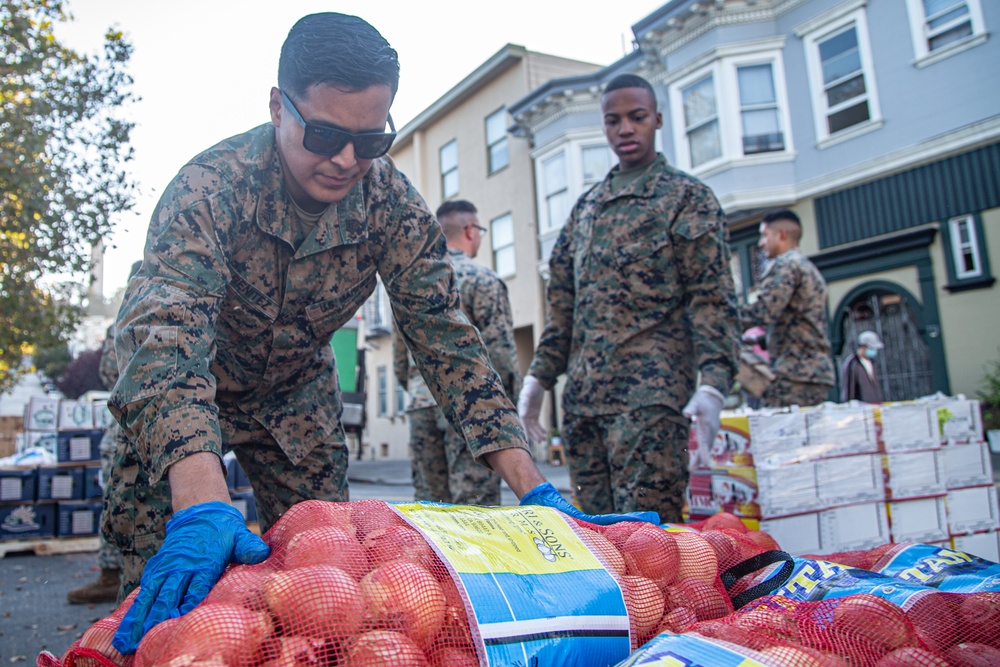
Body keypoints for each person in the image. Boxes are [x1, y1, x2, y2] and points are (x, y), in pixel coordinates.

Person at [103, 13, 657, 655]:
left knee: (327, 588)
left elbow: (449, 344)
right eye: (325, 134)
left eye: (370, 141)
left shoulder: (391, 205)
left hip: (292, 398)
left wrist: (535, 491)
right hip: (180, 400)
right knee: (165, 597)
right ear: (279, 107)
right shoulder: (210, 188)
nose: (346, 161)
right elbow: (165, 338)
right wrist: (200, 502)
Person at [517, 73, 740, 524]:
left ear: (656, 119)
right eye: (613, 120)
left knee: (649, 541)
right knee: (595, 538)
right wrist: (538, 380)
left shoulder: (687, 199)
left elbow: (711, 300)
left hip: (650, 406)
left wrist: (715, 381)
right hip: (584, 408)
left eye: (636, 117)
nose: (625, 129)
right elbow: (563, 309)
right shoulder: (586, 209)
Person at [393, 200, 520, 506]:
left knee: (430, 506)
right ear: (470, 230)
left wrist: (415, 388)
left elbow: (400, 354)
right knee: (475, 506)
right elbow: (501, 354)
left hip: (422, 403)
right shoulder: (483, 280)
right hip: (473, 405)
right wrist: (505, 409)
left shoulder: (414, 282)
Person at [66, 260, 143, 604]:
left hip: (126, 425)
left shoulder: (126, 319)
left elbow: (110, 371)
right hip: (163, 424)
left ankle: (117, 576)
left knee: (120, 498)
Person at [741, 208, 835, 408]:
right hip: (813, 372)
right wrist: (758, 339)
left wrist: (721, 321)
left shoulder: (785, 265)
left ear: (781, 235)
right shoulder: (807, 267)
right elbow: (800, 323)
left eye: (764, 235)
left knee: (784, 436)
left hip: (794, 374)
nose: (761, 243)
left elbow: (764, 310)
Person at [840, 330, 885, 403]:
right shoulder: (853, 363)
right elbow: (849, 388)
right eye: (871, 348)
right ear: (863, 346)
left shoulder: (873, 363)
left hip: (874, 406)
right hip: (860, 407)